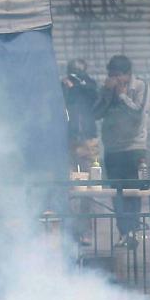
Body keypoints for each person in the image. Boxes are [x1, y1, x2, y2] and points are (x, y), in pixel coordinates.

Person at [93, 55, 149, 248]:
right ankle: (123, 232)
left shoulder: (139, 86)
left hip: (134, 146)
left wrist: (123, 96)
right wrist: (108, 94)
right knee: (116, 193)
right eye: (111, 75)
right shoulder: (107, 89)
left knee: (133, 191)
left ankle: (134, 231)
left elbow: (136, 114)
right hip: (112, 148)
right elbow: (96, 113)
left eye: (118, 75)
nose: (114, 79)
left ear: (128, 74)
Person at [62, 59, 99, 246]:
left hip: (87, 140)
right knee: (68, 186)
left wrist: (76, 86)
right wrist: (66, 87)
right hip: (69, 139)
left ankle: (85, 230)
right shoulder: (63, 86)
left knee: (88, 187)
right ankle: (70, 230)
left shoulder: (89, 85)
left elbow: (94, 96)